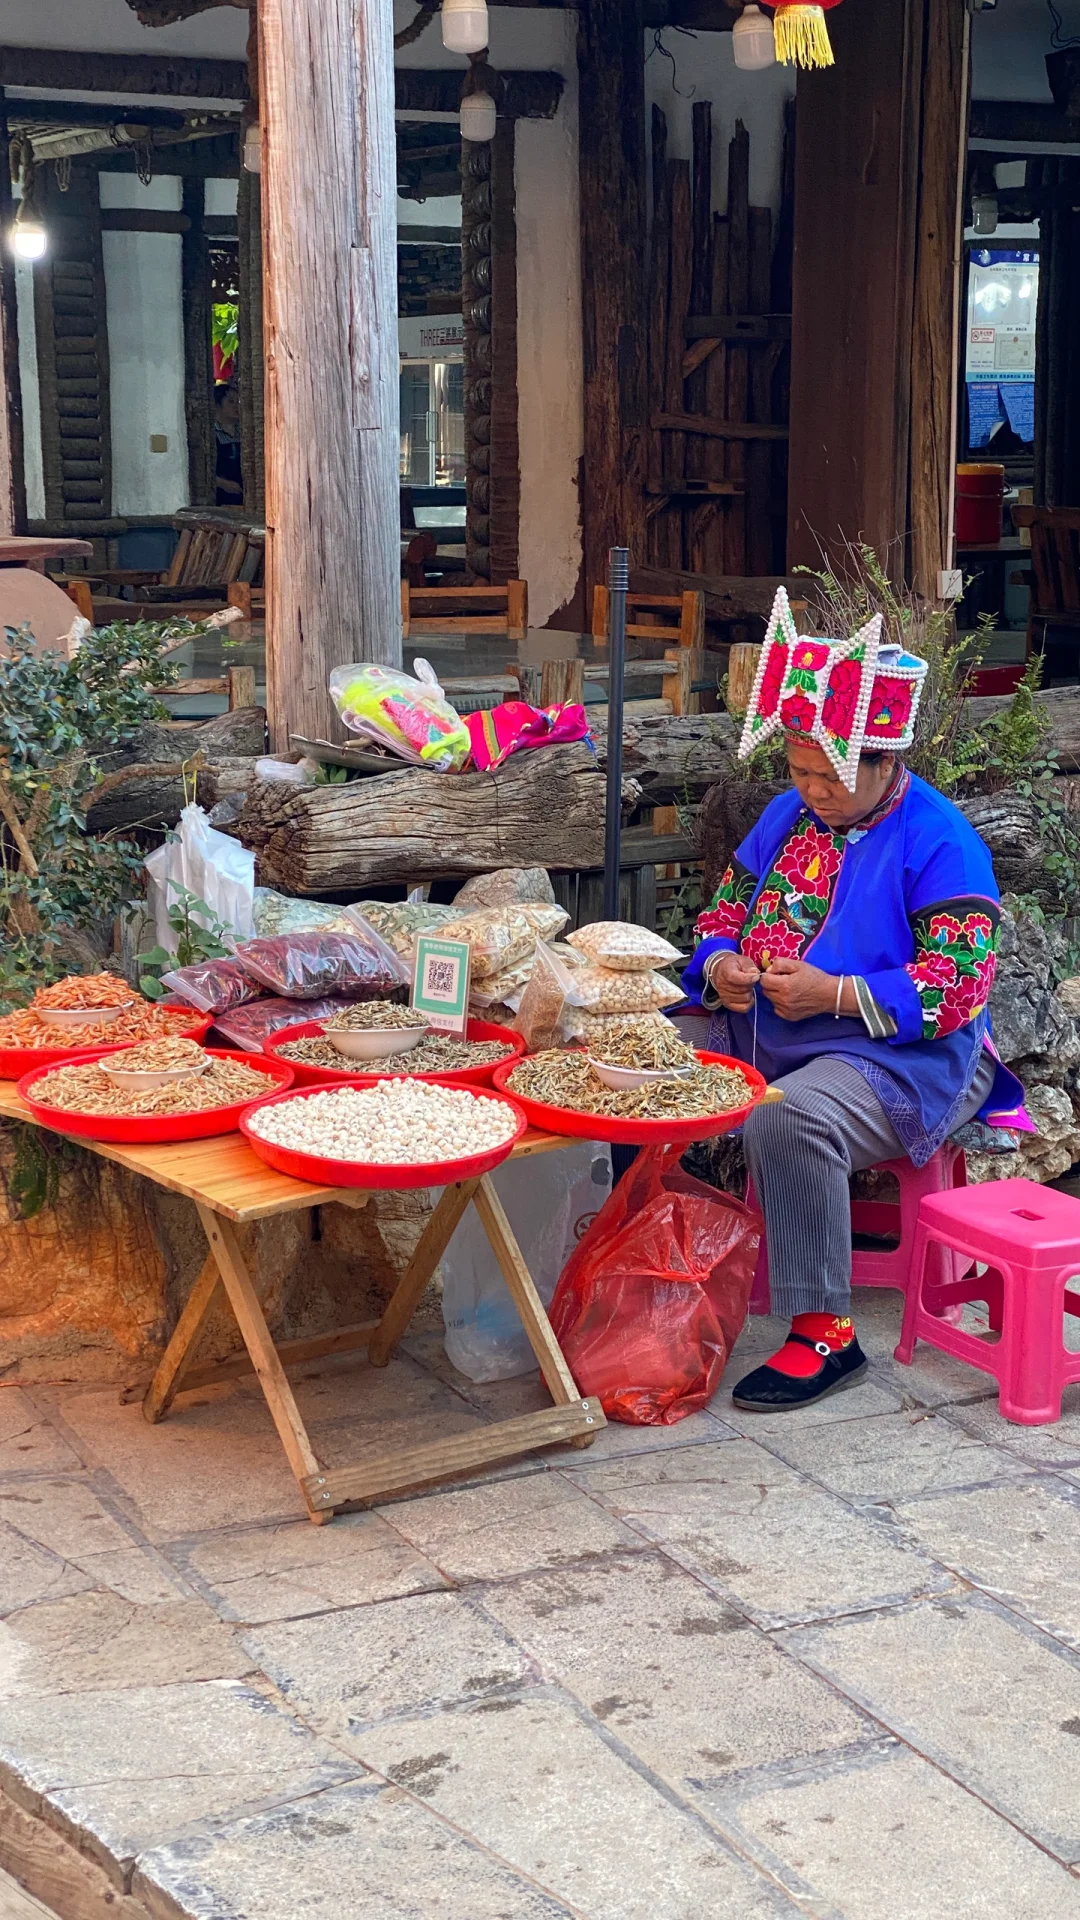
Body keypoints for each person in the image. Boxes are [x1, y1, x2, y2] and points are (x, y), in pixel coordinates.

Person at [682, 588, 1029, 1414]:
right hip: (766, 1023)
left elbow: (956, 987)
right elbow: (721, 912)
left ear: (885, 762)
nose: (812, 792)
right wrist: (723, 961)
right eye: (799, 773)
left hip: (901, 1057)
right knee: (641, 1068)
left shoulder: (941, 840)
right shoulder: (786, 815)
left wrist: (835, 993)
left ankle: (825, 1333)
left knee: (787, 1115)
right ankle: (668, 1268)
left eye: (829, 777)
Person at [214, 383, 243, 505]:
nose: (236, 406)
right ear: (217, 406)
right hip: (221, 496)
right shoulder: (211, 434)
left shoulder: (244, 432)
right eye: (231, 402)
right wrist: (223, 483)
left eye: (238, 401)